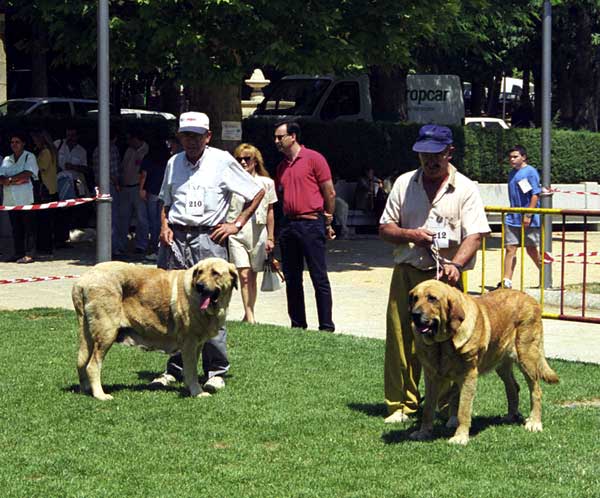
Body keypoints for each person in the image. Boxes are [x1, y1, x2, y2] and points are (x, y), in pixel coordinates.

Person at [379, 124, 490, 424]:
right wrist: (410, 233)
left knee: (452, 343)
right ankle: (402, 405)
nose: (429, 161)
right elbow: (385, 228)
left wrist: (456, 264)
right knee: (401, 338)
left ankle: (445, 408)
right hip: (408, 271)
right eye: (423, 154)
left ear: (449, 152)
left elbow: (476, 234)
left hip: (446, 279)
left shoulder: (465, 188)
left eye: (436, 154)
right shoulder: (404, 183)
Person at [150, 111, 265, 394]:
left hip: (208, 238)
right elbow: (165, 200)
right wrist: (164, 225)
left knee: (214, 304)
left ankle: (215, 371)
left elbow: (256, 192)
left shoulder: (223, 161)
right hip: (175, 237)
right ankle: (175, 369)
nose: (190, 141)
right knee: (174, 305)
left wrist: (236, 224)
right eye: (185, 135)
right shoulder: (174, 162)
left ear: (208, 137)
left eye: (196, 135)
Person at [274, 120, 336, 332]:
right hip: (289, 226)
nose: (277, 141)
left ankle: (326, 326)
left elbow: (329, 191)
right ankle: (298, 324)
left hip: (311, 223)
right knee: (292, 278)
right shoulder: (281, 167)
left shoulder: (313, 159)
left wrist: (328, 219)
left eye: (280, 137)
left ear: (293, 136)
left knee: (319, 277)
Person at [227, 143, 277, 323]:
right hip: (237, 232)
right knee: (244, 274)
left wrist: (271, 237)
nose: (242, 162)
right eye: (239, 159)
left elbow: (270, 211)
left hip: (259, 231)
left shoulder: (267, 183)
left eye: (247, 159)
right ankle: (250, 316)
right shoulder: (230, 183)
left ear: (255, 161)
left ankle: (249, 311)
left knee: (254, 274)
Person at [499, 145, 542, 289]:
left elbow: (535, 194)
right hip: (512, 217)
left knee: (531, 249)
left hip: (528, 217)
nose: (512, 159)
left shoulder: (530, 172)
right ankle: (507, 280)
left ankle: (545, 275)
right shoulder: (512, 173)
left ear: (523, 157)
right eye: (510, 157)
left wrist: (528, 214)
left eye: (515, 156)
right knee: (510, 248)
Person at [0, 132, 39, 263]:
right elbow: (1, 177)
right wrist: (14, 180)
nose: (14, 145)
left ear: (23, 143)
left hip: (25, 197)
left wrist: (10, 179)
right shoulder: (7, 159)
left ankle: (30, 254)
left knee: (29, 227)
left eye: (17, 142)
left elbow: (27, 174)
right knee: (16, 227)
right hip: (10, 199)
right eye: (12, 142)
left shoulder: (29, 156)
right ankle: (18, 253)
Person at [54, 126, 90, 244]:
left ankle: (65, 238)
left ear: (77, 136)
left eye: (73, 135)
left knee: (70, 211)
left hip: (74, 184)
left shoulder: (82, 151)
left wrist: (74, 167)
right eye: (68, 135)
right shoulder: (58, 145)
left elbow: (85, 169)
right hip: (58, 183)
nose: (70, 138)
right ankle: (57, 237)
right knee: (57, 210)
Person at [117, 128, 149, 257]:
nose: (128, 141)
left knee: (142, 218)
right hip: (126, 187)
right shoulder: (129, 150)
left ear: (137, 139)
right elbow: (123, 168)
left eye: (130, 139)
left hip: (138, 188)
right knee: (123, 218)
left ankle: (141, 245)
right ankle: (121, 245)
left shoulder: (146, 150)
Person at [92, 128, 122, 258]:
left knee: (102, 219)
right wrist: (117, 185)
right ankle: (113, 250)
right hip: (110, 186)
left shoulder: (97, 150)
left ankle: (102, 248)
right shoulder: (112, 149)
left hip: (99, 186)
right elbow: (114, 170)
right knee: (113, 219)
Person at [139, 141, 170, 261]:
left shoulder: (148, 158)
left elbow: (144, 174)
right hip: (163, 192)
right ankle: (159, 247)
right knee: (161, 220)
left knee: (153, 222)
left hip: (151, 191)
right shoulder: (169, 158)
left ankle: (153, 246)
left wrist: (141, 189)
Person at [31, 130, 58, 257]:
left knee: (44, 221)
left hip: (46, 190)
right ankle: (44, 247)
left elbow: (40, 167)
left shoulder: (46, 152)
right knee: (44, 221)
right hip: (48, 189)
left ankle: (45, 248)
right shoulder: (48, 151)